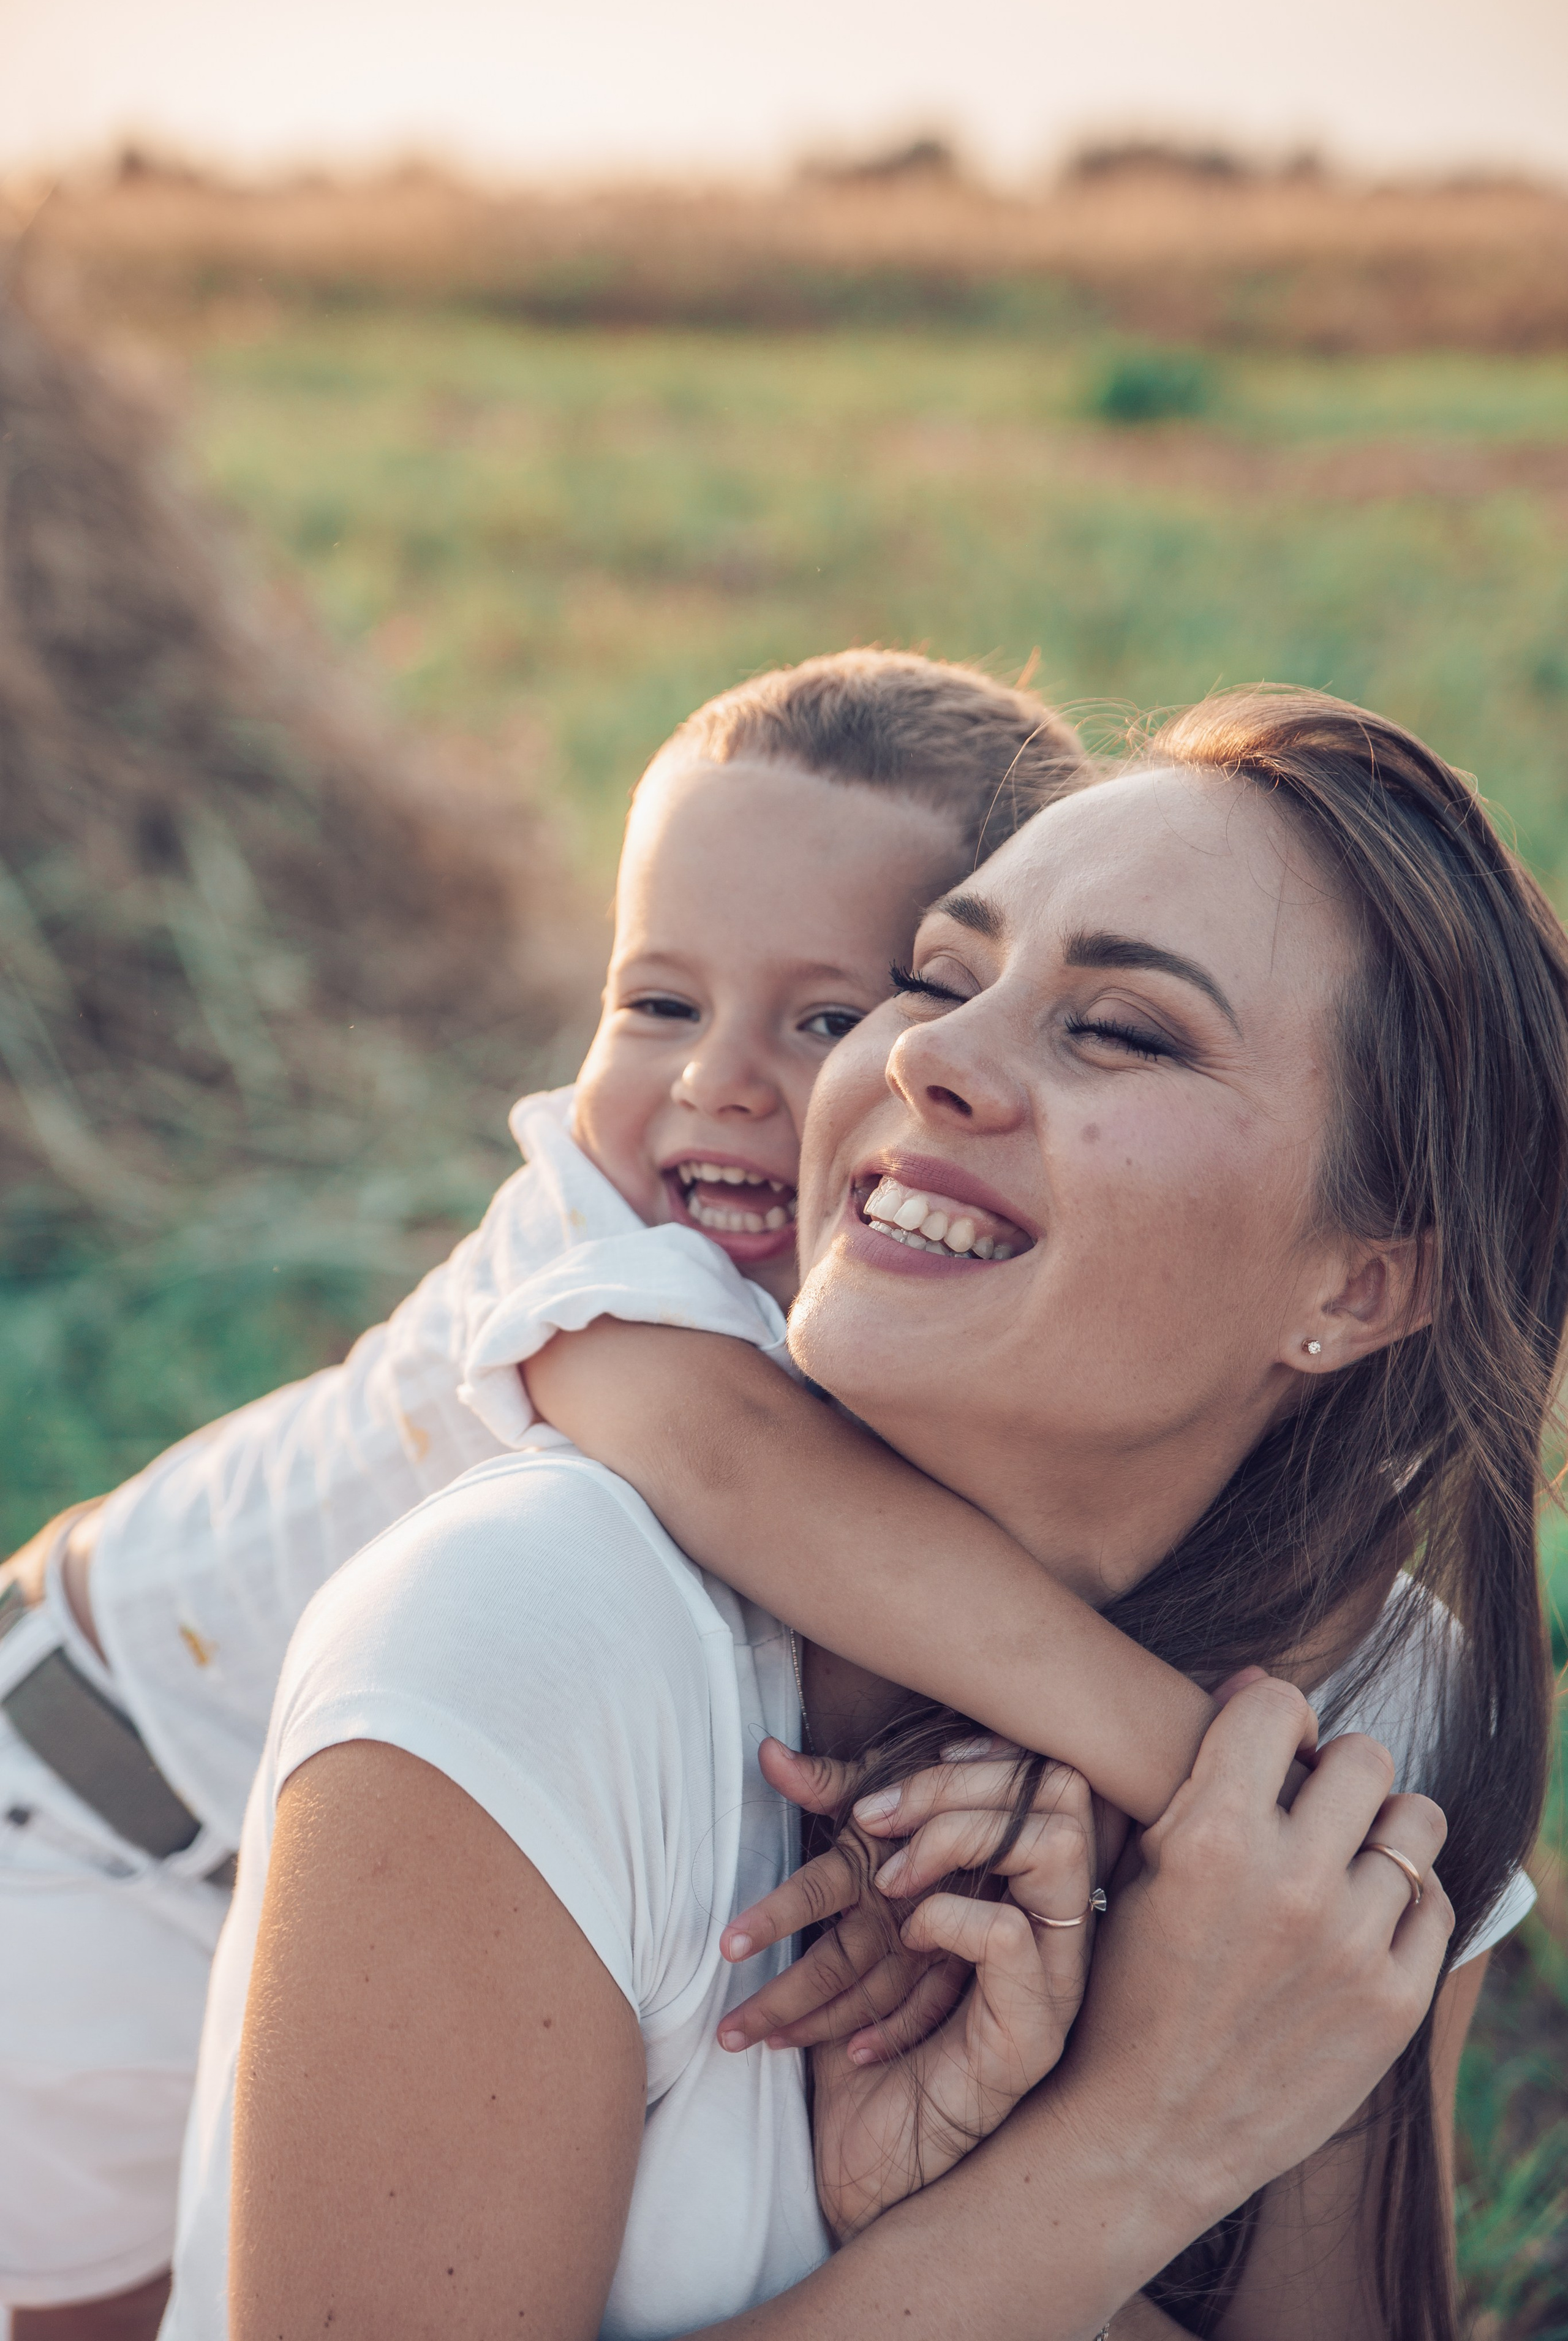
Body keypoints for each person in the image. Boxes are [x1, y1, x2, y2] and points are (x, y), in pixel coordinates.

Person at [165, 689, 1561, 2338]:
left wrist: (1280, 2042)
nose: (924, 1057)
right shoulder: (528, 1633)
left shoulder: (1380, 1721)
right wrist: (1124, 2163)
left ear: (1363, 1283)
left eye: (1118, 1028)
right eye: (944, 978)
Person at [1, 649, 1224, 2340]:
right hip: (83, 1826)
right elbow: (741, 1470)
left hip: (341, 1882)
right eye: (657, 1002)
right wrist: (1189, 1770)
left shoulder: (883, 1275)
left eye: (822, 1017)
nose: (717, 1079)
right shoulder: (599, 1240)